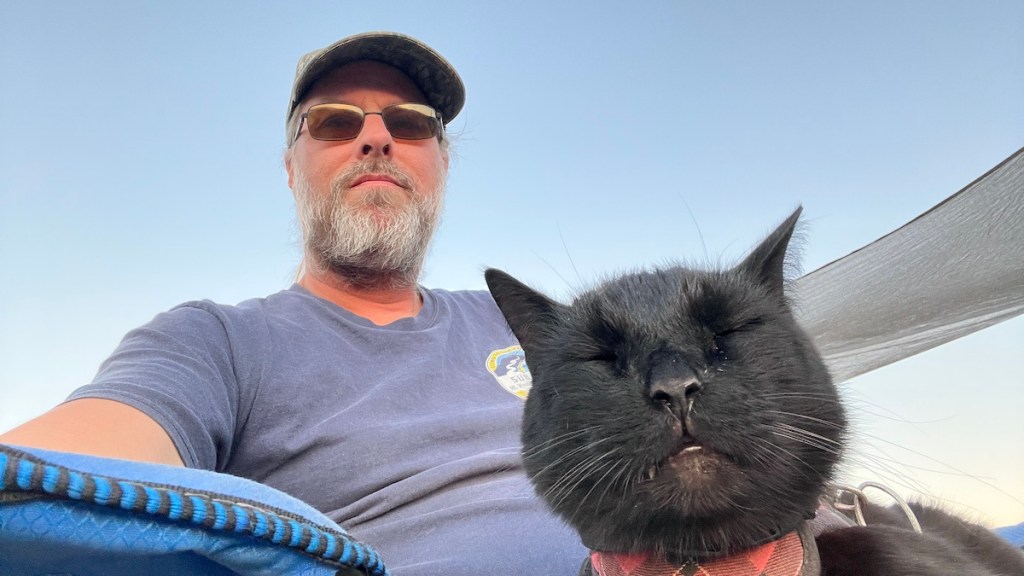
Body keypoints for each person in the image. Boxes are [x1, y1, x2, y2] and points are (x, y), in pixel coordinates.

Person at [0, 31, 587, 574]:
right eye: (335, 122)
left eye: (410, 122)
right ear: (290, 169)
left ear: (443, 164)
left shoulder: (518, 318)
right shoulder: (217, 343)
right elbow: (72, 459)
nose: (376, 138)